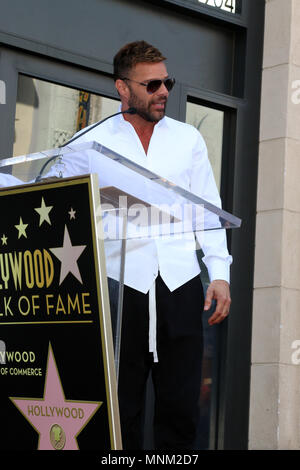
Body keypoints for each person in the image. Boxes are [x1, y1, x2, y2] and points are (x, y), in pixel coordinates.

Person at [58, 40, 232, 449]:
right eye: (152, 83)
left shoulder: (187, 139)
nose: (163, 91)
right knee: (122, 408)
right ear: (123, 88)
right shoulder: (89, 142)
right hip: (120, 290)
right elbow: (52, 189)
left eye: (166, 81)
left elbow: (208, 211)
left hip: (180, 284)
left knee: (180, 407)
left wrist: (220, 274)